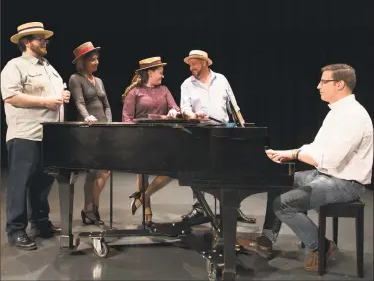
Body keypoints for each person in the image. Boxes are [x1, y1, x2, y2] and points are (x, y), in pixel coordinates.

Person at [238, 64, 373, 272]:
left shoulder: (354, 116)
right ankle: (267, 239)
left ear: (340, 84)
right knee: (279, 179)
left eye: (324, 82)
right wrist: (285, 152)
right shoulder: (337, 112)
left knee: (282, 204)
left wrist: (295, 154)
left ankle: (321, 246)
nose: (318, 86)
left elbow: (331, 160)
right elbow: (317, 147)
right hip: (326, 175)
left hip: (346, 183)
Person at [0, 22, 70, 250]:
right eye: (40, 39)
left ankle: (40, 223)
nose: (45, 42)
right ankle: (15, 229)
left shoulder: (49, 67)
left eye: (46, 39)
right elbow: (11, 96)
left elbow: (52, 95)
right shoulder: (15, 66)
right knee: (20, 183)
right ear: (27, 42)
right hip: (26, 133)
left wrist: (62, 95)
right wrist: (45, 101)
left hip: (49, 134)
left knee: (43, 182)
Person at [180, 49, 255, 223]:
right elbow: (185, 109)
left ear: (205, 63)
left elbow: (234, 106)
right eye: (190, 64)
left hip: (223, 130)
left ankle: (232, 208)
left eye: (194, 63)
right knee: (198, 169)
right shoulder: (187, 84)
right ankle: (199, 208)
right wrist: (193, 116)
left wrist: (242, 126)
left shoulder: (221, 79)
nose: (191, 67)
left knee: (228, 170)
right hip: (199, 131)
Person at [122, 56, 181, 226]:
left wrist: (173, 113)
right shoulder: (134, 93)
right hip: (141, 139)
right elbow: (126, 118)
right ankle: (147, 211)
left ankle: (142, 197)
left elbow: (175, 108)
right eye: (160, 73)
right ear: (150, 72)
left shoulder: (164, 89)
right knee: (143, 172)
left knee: (171, 171)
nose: (162, 76)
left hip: (162, 138)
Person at [68, 41, 112, 225]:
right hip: (88, 129)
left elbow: (107, 105)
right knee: (95, 171)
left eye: (97, 60)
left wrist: (109, 123)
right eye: (92, 60)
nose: (96, 63)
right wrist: (87, 117)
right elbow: (79, 103)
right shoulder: (75, 79)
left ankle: (89, 208)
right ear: (82, 62)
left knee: (103, 170)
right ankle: (90, 209)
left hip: (103, 129)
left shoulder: (99, 80)